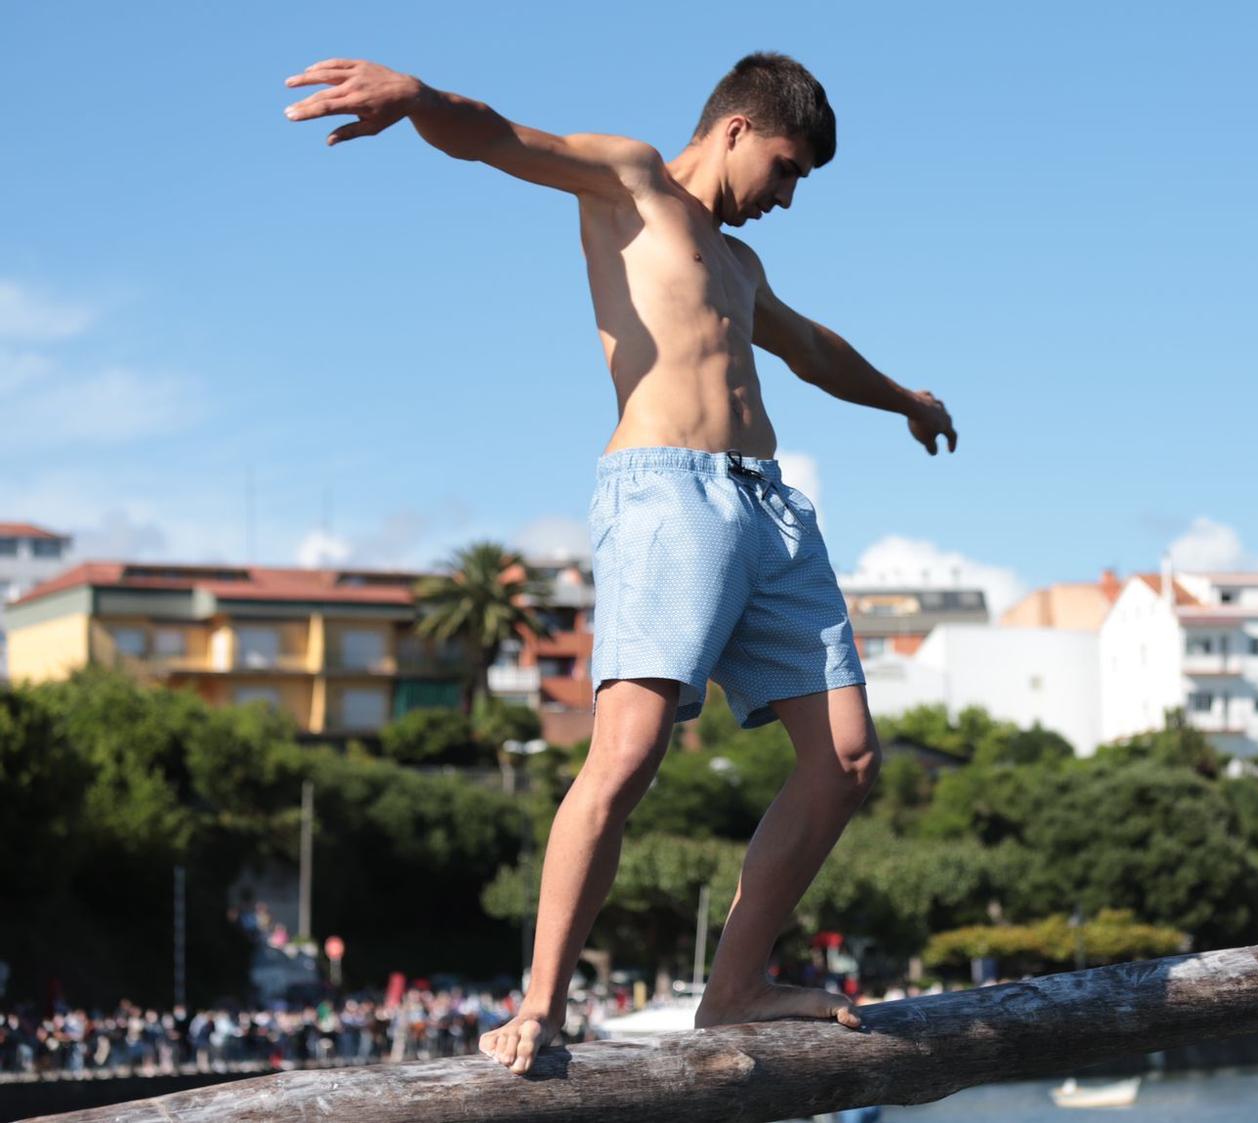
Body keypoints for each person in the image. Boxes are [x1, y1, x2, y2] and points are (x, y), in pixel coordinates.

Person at [282, 52, 956, 1076]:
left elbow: (813, 351)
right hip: (665, 494)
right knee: (627, 751)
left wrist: (905, 398)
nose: (784, 196)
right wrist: (418, 101)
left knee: (849, 758)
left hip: (768, 506)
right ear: (735, 128)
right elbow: (505, 137)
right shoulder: (632, 182)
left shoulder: (740, 267)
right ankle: (540, 1004)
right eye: (783, 169)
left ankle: (732, 989)